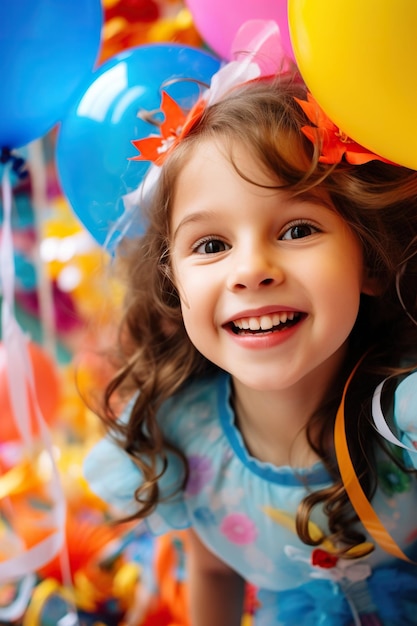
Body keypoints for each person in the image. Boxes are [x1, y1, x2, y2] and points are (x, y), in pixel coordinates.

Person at [84, 21, 417, 626]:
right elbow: (214, 572)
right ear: (174, 284)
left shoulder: (406, 421)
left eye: (296, 230)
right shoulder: (178, 437)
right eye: (210, 245)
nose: (250, 271)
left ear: (367, 259)